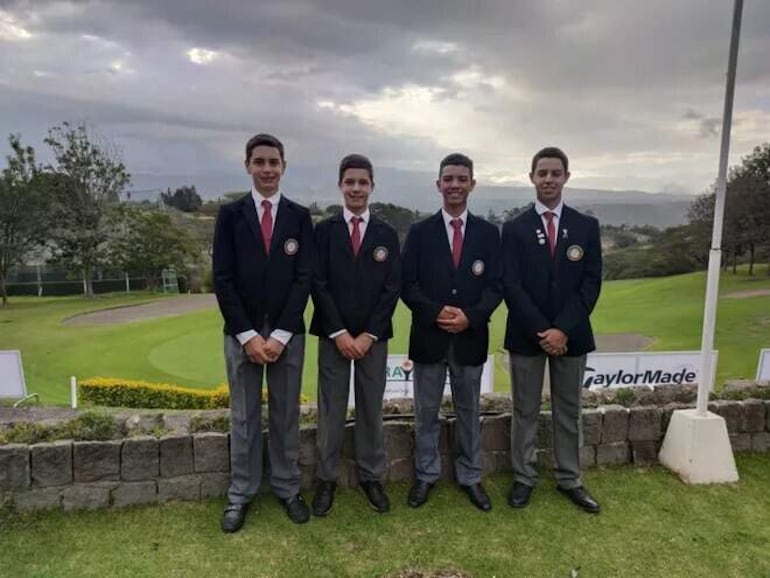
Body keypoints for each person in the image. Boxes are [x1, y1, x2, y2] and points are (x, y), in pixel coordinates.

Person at [212, 133, 314, 532]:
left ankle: (289, 489)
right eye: (260, 162)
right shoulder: (230, 215)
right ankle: (241, 494)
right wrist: (249, 336)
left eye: (274, 162)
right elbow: (222, 279)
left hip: (288, 334)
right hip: (242, 334)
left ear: (284, 166)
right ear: (248, 166)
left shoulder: (299, 216)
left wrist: (281, 334)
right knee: (244, 417)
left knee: (287, 416)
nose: (267, 169)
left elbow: (304, 278)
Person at [501, 146, 603, 514]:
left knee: (568, 411)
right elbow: (510, 284)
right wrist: (544, 330)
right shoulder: (513, 229)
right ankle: (523, 477)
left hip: (572, 336)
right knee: (524, 409)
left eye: (555, 173)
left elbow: (591, 283)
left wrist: (562, 329)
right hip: (527, 335)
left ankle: (569, 479)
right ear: (531, 177)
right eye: (541, 173)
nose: (548, 179)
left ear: (566, 177)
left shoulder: (586, 227)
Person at [401, 153, 502, 511]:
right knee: (425, 413)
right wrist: (435, 312)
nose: (455, 185)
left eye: (462, 178)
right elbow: (407, 285)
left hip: (470, 339)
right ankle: (426, 476)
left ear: (472, 183)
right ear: (438, 184)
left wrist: (470, 317)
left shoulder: (489, 234)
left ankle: (470, 476)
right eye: (449, 179)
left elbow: (496, 286)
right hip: (429, 339)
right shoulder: (419, 232)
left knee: (469, 413)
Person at [309, 154, 401, 516]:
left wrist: (368, 336)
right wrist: (340, 333)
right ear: (340, 186)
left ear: (372, 186)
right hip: (334, 338)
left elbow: (391, 289)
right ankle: (326, 480)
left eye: (363, 182)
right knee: (331, 412)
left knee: (370, 409)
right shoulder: (324, 231)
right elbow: (318, 284)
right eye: (350, 182)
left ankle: (371, 478)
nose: (356, 189)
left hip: (373, 340)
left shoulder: (386, 233)